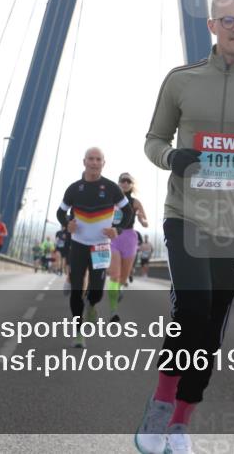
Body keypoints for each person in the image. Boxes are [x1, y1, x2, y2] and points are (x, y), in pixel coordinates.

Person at [135, 0, 234, 454]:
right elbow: (153, 141)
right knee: (192, 307)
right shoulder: (181, 81)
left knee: (211, 327)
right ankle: (160, 406)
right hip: (185, 215)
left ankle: (181, 424)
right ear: (212, 26)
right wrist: (172, 157)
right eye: (227, 20)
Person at [55, 147, 133, 348]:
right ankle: (78, 332)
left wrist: (118, 229)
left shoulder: (111, 188)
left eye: (98, 159)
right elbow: (60, 213)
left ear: (103, 163)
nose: (94, 162)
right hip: (79, 245)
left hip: (101, 246)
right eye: (91, 159)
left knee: (97, 291)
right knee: (76, 289)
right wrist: (67, 224)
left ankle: (91, 305)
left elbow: (128, 212)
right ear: (84, 162)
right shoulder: (74, 189)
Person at [106, 172, 149, 321]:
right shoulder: (111, 200)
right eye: (122, 180)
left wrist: (141, 220)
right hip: (114, 237)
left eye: (128, 181)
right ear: (118, 183)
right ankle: (113, 311)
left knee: (123, 278)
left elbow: (145, 222)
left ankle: (120, 288)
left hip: (129, 239)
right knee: (114, 275)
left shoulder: (135, 202)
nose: (125, 183)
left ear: (131, 185)